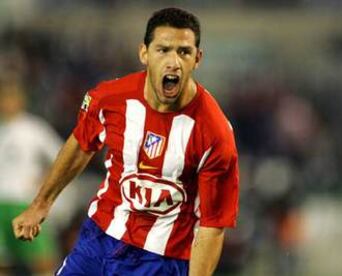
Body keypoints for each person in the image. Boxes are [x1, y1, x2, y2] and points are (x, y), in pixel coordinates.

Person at [12, 7, 239, 276]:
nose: (173, 61)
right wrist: (41, 204)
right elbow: (82, 143)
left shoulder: (215, 131)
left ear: (197, 59)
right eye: (163, 49)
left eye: (184, 52)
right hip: (99, 240)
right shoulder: (110, 99)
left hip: (160, 260)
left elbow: (213, 224)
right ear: (144, 53)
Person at [0, 75, 62, 275]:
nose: (7, 101)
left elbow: (61, 157)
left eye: (11, 96)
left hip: (24, 203)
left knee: (43, 262)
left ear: (21, 99)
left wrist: (44, 182)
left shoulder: (34, 128)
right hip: (0, 201)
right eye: (3, 97)